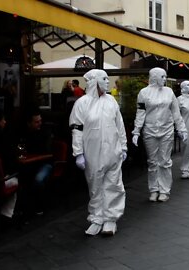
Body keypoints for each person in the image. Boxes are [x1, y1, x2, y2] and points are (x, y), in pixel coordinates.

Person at [69, 69, 127, 236]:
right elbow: (77, 129)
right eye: (104, 79)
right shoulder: (82, 103)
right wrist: (78, 153)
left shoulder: (111, 102)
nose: (108, 82)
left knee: (114, 184)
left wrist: (123, 146)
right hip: (92, 152)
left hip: (113, 151)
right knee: (95, 185)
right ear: (94, 81)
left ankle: (110, 219)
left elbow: (120, 126)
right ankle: (96, 218)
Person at [132, 67, 187, 202]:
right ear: (155, 77)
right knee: (152, 162)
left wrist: (182, 129)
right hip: (149, 130)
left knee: (165, 161)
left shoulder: (169, 92)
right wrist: (136, 131)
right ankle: (153, 189)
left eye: (165, 77)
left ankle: (164, 190)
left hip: (166, 130)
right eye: (162, 77)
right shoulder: (143, 93)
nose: (164, 79)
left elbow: (175, 112)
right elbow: (140, 113)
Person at [18, 108, 53, 215]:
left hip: (45, 163)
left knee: (38, 180)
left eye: (40, 121)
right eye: (36, 122)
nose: (39, 123)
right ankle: (25, 208)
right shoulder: (24, 133)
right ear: (29, 123)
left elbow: (47, 152)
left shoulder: (45, 132)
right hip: (30, 164)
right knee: (21, 179)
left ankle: (40, 206)